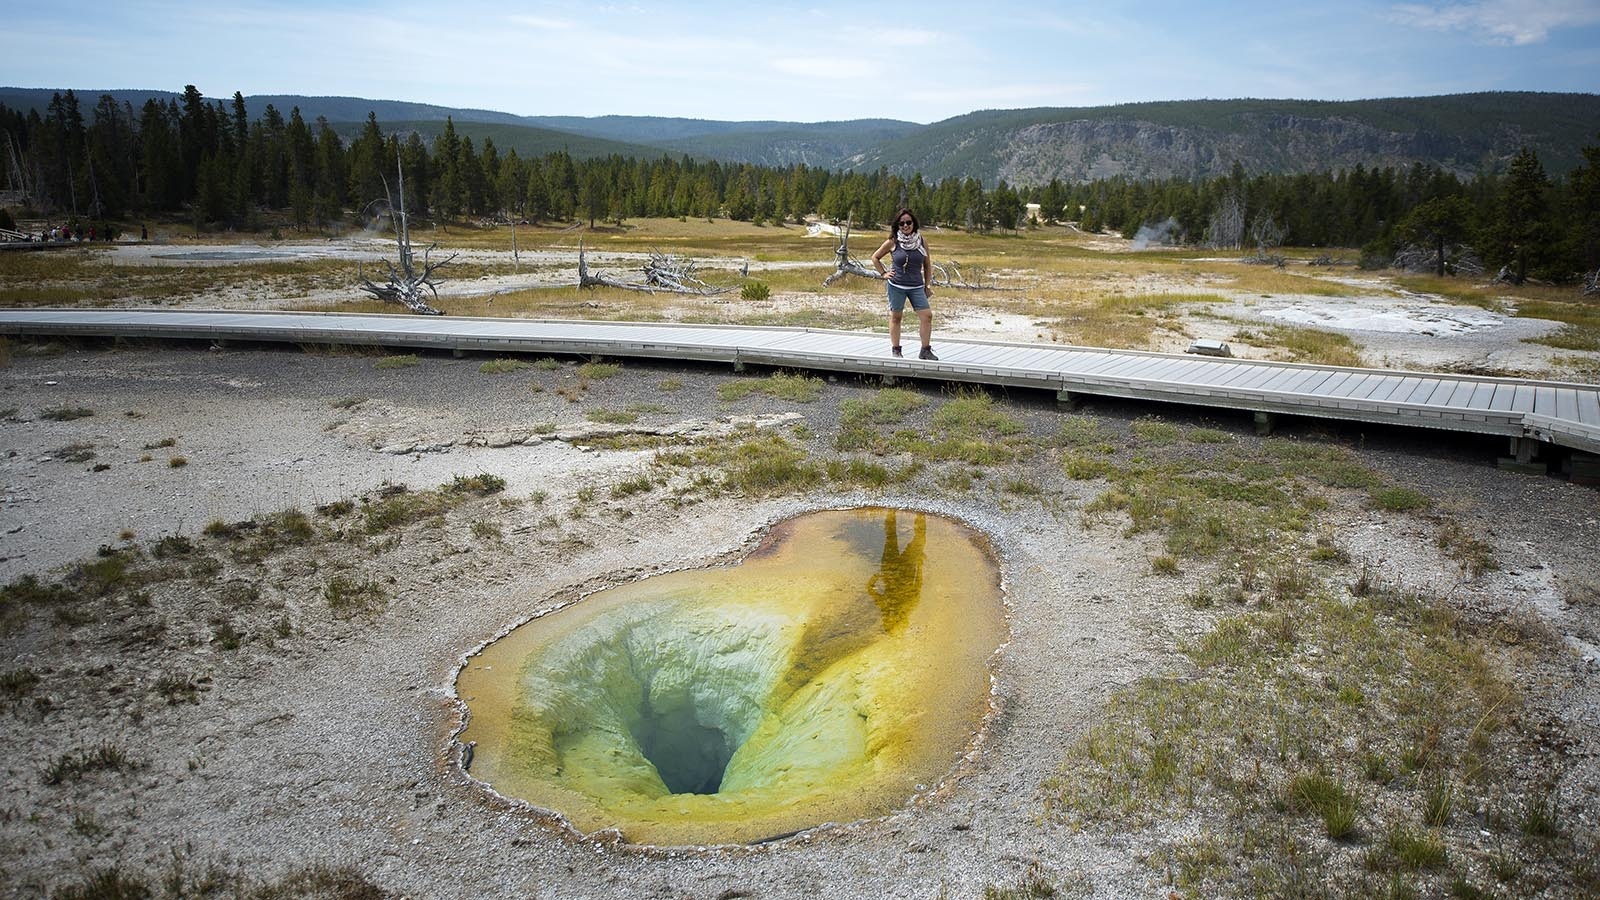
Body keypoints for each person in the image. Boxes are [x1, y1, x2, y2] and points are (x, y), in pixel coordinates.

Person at [871, 208, 938, 360]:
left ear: (914, 223)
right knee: (896, 317)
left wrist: (927, 286)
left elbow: (927, 265)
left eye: (908, 222)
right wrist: (884, 273)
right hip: (896, 285)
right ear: (897, 225)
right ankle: (896, 349)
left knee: (927, 316)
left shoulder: (922, 241)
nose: (905, 226)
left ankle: (925, 350)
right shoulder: (893, 241)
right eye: (902, 223)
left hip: (916, 286)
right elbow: (875, 257)